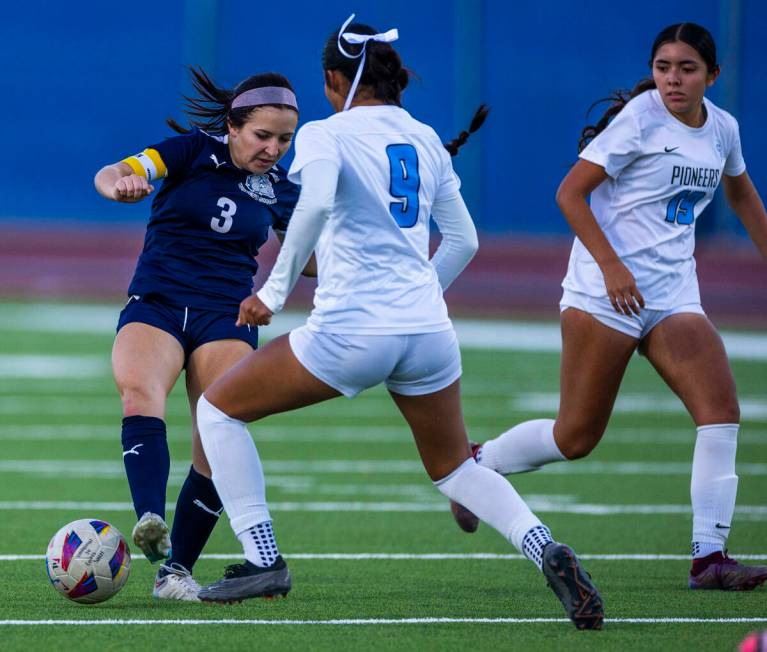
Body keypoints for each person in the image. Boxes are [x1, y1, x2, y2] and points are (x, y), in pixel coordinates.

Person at [194, 15, 604, 630]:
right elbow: (464, 239)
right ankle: (546, 548)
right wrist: (416, 296)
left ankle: (263, 560)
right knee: (454, 467)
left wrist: (273, 291)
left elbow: (317, 203)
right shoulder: (426, 137)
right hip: (428, 332)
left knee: (218, 411)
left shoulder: (328, 134)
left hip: (352, 331)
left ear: (336, 78)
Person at [449, 22, 767, 591]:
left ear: (713, 76)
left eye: (687, 68)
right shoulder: (640, 120)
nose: (672, 78)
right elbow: (569, 193)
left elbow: (741, 192)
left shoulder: (723, 128)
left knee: (720, 412)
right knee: (576, 437)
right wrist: (613, 266)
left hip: (672, 295)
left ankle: (709, 558)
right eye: (663, 66)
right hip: (603, 292)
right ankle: (480, 465)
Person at [94, 67, 312, 600]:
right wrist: (120, 187)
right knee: (139, 396)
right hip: (159, 303)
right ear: (234, 126)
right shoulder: (191, 150)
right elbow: (111, 171)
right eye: (263, 136)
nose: (273, 149)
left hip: (225, 315)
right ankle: (149, 517)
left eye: (284, 139)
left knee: (218, 432)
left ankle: (176, 571)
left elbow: (306, 260)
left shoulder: (281, 188)